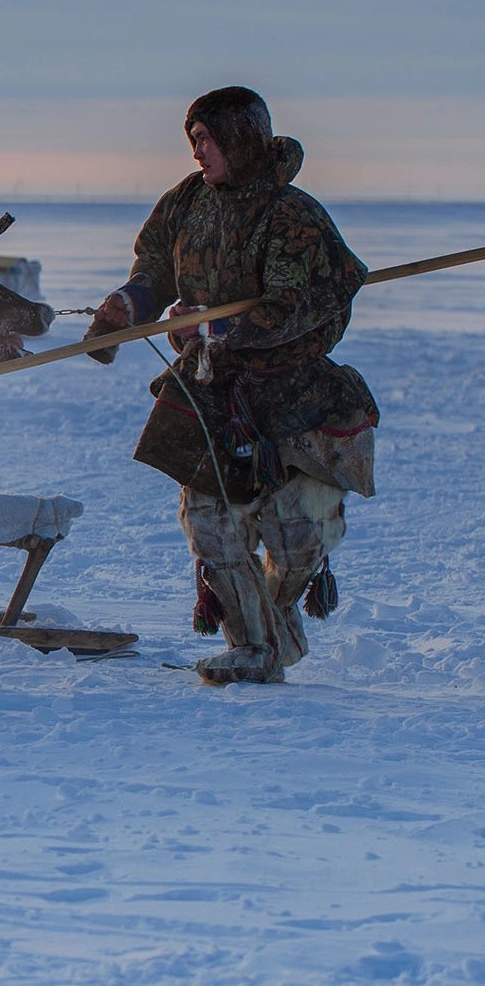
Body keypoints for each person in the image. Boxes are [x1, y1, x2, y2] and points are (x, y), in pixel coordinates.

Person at [86, 86, 378, 685]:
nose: (197, 152)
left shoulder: (293, 214)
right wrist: (130, 301)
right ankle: (252, 647)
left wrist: (222, 325)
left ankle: (272, 623)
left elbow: (295, 305)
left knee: (298, 535)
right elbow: (154, 267)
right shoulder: (186, 203)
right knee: (211, 524)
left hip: (295, 393)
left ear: (241, 138)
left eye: (206, 139)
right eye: (192, 140)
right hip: (210, 385)